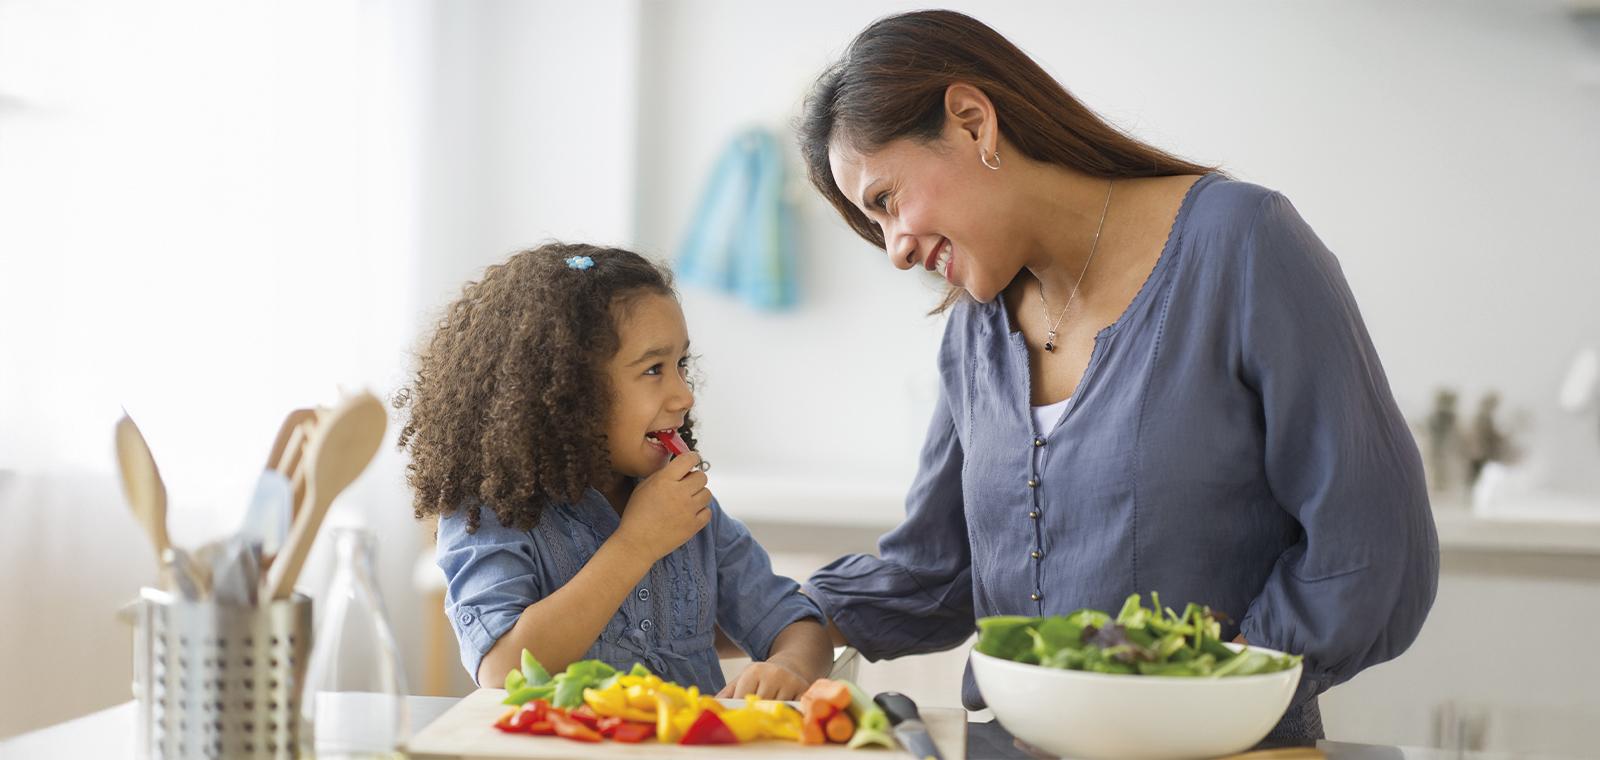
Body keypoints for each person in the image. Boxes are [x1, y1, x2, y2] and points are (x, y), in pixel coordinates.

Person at [796, 10, 1438, 738]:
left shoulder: (1241, 244)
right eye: (873, 224)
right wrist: (774, 612)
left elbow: (1371, 550)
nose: (896, 250)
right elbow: (938, 574)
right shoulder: (976, 329)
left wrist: (1207, 683)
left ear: (972, 122)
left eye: (886, 201)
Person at [396, 242, 831, 699]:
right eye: (653, 370)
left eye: (680, 365)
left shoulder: (687, 508)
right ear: (565, 393)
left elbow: (796, 621)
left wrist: (790, 665)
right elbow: (504, 668)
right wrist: (636, 544)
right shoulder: (495, 509)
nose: (684, 395)